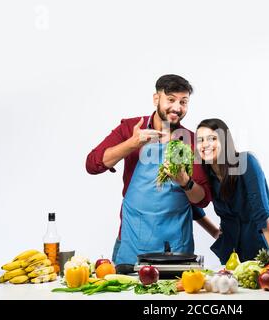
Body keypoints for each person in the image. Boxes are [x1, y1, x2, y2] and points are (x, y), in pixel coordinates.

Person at [86, 74, 215, 265]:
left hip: (176, 247)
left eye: (184, 102)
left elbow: (202, 199)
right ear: (156, 98)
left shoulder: (191, 140)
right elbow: (93, 164)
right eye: (170, 100)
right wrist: (132, 143)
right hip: (131, 242)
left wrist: (185, 182)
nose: (177, 108)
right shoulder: (130, 128)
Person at [194, 118, 269, 264]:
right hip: (230, 255)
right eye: (200, 140)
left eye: (212, 138)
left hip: (261, 250)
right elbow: (193, 207)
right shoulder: (205, 174)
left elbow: (263, 215)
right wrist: (216, 232)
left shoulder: (246, 162)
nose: (205, 145)